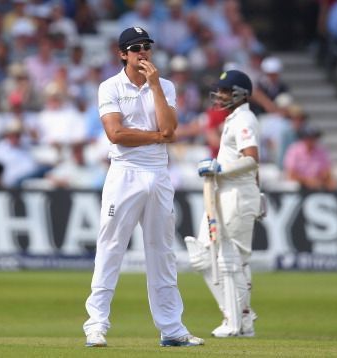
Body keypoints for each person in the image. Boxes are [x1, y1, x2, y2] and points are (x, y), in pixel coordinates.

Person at [83, 26, 204, 348]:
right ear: (122, 54)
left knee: (162, 253)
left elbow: (171, 128)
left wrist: (154, 87)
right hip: (125, 172)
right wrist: (155, 137)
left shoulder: (163, 85)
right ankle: (96, 325)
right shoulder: (109, 87)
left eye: (147, 47)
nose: (143, 53)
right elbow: (116, 134)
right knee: (111, 247)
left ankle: (172, 328)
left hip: (159, 173)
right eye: (136, 48)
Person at [184, 69, 261, 338]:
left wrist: (220, 169)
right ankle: (242, 316)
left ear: (240, 94)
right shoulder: (233, 119)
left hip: (237, 196)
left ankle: (236, 324)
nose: (220, 95)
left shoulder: (245, 119)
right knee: (201, 256)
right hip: (224, 194)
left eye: (226, 91)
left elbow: (251, 159)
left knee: (231, 260)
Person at [283, 125, 337, 190]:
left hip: (317, 181)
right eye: (308, 138)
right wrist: (307, 181)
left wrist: (319, 180)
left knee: (332, 183)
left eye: (314, 138)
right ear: (303, 138)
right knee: (293, 185)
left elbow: (327, 170)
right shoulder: (294, 150)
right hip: (300, 183)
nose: (311, 140)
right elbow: (291, 173)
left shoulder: (321, 150)